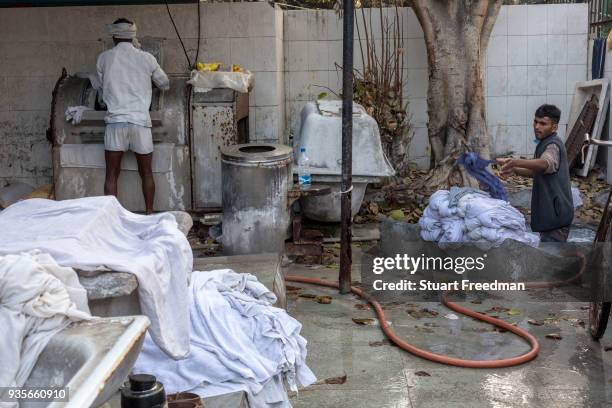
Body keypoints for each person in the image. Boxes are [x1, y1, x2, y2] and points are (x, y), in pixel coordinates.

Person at [96, 18, 170, 214]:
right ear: (133, 35)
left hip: (115, 123)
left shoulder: (104, 58)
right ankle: (148, 212)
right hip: (140, 123)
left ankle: (111, 218)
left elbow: (100, 89)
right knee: (146, 172)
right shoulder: (147, 58)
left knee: (111, 175)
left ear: (114, 35)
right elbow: (165, 84)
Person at [497, 104, 573, 242]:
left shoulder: (552, 145)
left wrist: (515, 162)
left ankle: (580, 260)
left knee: (552, 258)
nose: (537, 127)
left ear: (554, 127)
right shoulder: (544, 143)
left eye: (543, 123)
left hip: (556, 217)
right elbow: (537, 172)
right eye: (535, 122)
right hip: (552, 214)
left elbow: (545, 163)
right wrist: (514, 170)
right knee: (554, 254)